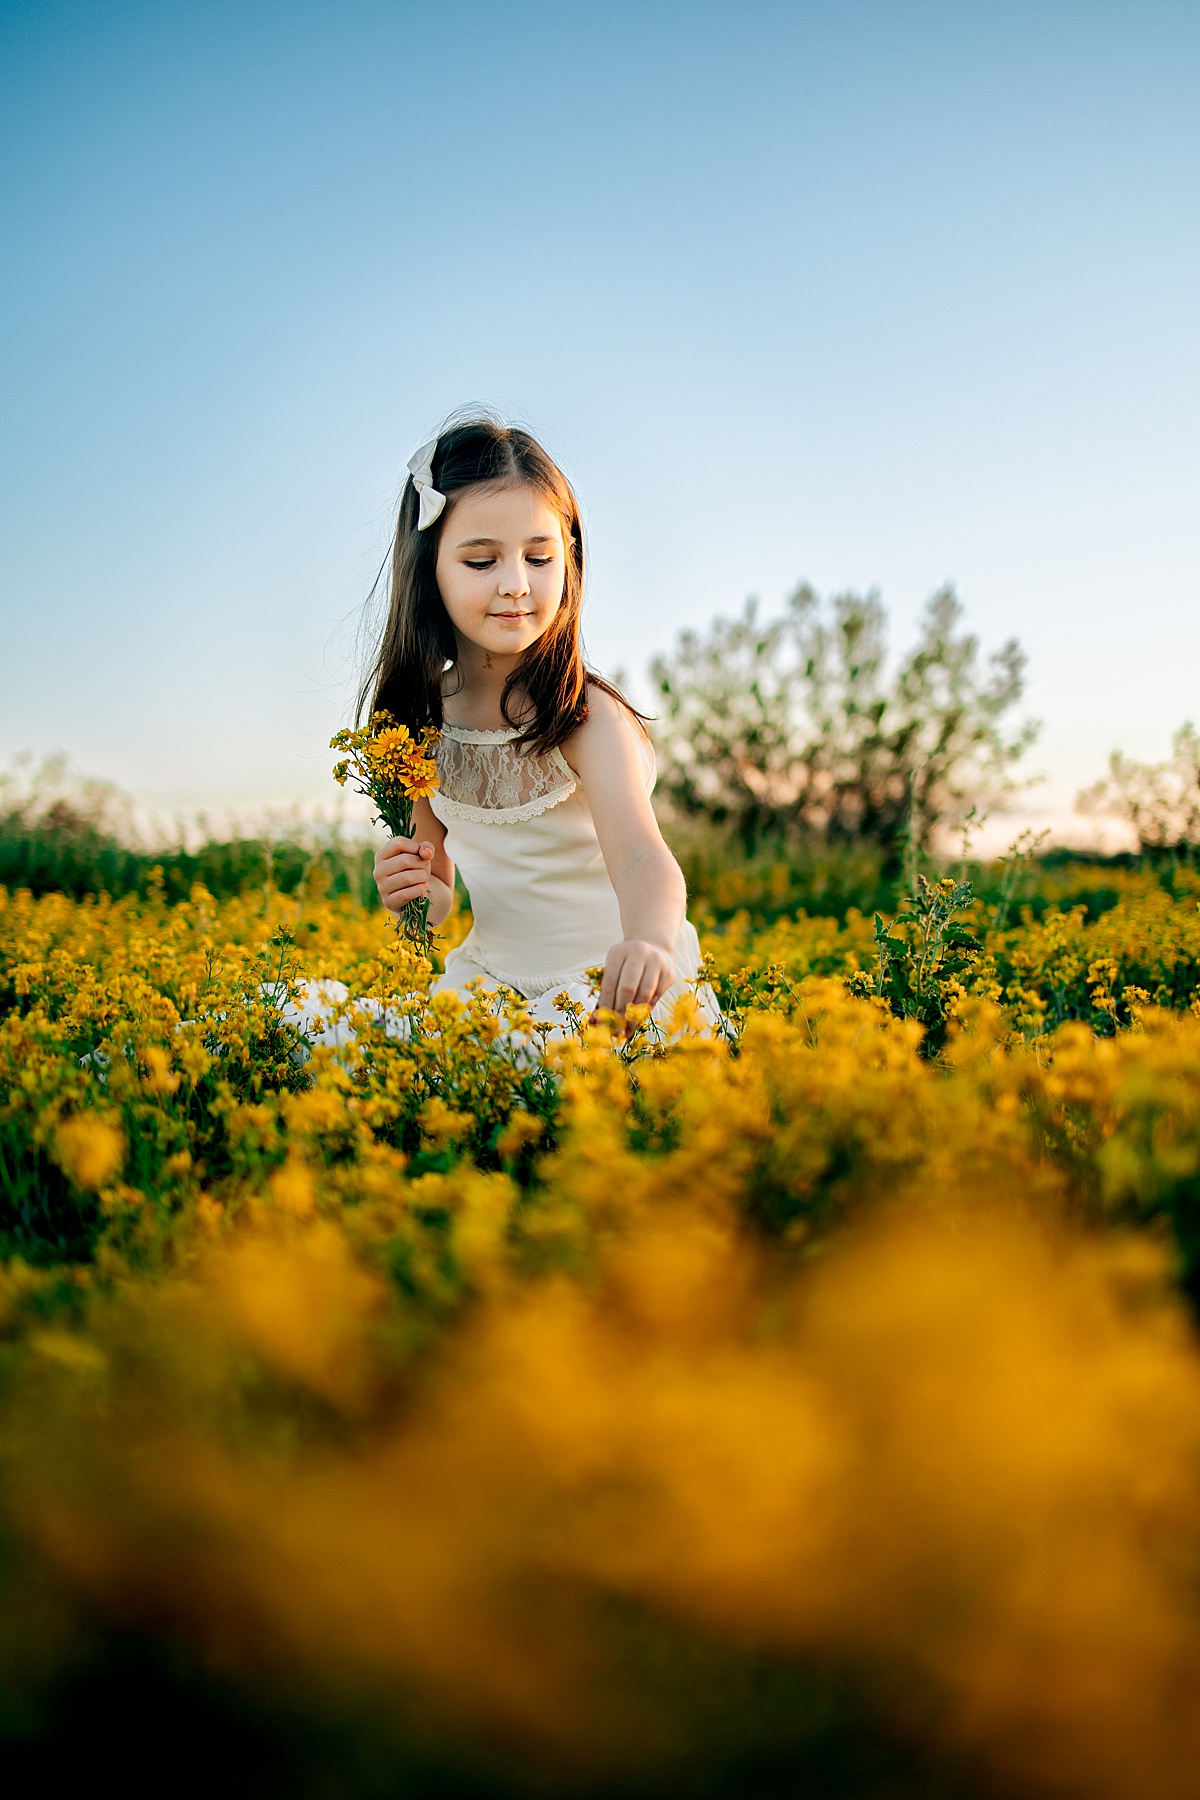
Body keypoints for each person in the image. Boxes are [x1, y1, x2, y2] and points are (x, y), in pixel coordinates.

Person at [359, 414, 719, 1036]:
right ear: (429, 573)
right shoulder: (416, 726)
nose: (515, 585)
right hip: (489, 980)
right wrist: (413, 891)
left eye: (538, 556)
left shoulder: (584, 716)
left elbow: (640, 857)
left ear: (567, 561)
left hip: (609, 981)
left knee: (556, 1067)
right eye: (480, 562)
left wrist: (653, 943)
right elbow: (440, 888)